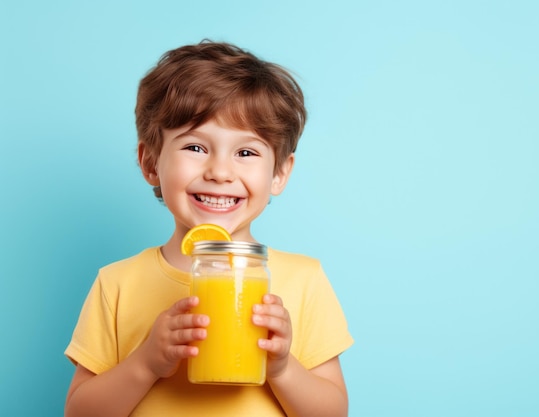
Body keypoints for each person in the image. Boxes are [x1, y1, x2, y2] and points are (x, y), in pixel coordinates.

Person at [64, 40, 353, 417]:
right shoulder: (116, 283)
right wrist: (146, 363)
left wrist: (282, 369)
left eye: (246, 153)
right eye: (195, 148)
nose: (219, 172)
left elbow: (333, 412)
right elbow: (79, 412)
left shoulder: (304, 279)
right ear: (150, 162)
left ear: (279, 173)